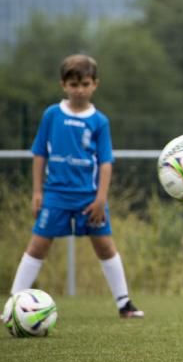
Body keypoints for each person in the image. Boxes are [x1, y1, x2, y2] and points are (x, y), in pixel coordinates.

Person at [9, 54, 144, 318]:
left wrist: (101, 199)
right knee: (38, 245)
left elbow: (105, 162)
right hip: (56, 195)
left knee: (104, 245)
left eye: (84, 84)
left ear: (95, 84)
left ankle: (124, 303)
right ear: (63, 85)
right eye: (73, 84)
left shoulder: (99, 121)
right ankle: (13, 303)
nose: (79, 90)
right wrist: (37, 192)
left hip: (88, 198)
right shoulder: (52, 115)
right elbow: (39, 154)